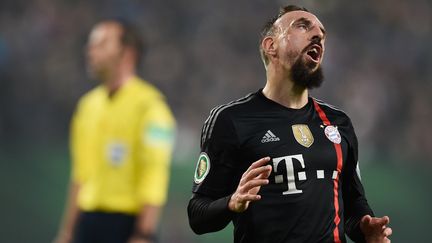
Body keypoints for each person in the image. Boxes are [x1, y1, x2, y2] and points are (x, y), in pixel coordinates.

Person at [188, 5, 392, 243]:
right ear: (270, 46)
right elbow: (198, 215)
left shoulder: (338, 123)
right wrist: (232, 202)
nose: (318, 34)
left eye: (322, 33)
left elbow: (353, 201)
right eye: (303, 26)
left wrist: (366, 228)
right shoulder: (230, 120)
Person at [54, 19, 175, 243]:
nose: (90, 51)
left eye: (101, 44)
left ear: (127, 54)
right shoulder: (87, 106)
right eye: (91, 45)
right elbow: (80, 175)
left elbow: (154, 175)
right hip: (88, 224)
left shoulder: (151, 108)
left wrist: (142, 233)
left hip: (126, 226)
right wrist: (67, 232)